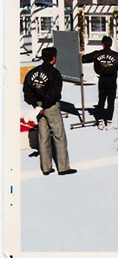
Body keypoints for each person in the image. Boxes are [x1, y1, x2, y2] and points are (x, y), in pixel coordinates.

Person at [23, 47, 77, 176]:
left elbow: (27, 92)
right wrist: (44, 106)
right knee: (59, 136)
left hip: (38, 108)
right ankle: (63, 167)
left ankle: (46, 167)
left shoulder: (32, 73)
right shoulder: (55, 73)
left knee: (43, 137)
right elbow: (54, 93)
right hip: (50, 107)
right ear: (54, 58)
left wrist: (36, 105)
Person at [82, 35, 118, 130]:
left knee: (101, 100)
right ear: (111, 44)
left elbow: (84, 59)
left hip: (102, 79)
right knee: (111, 102)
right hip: (112, 80)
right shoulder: (116, 55)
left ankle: (100, 122)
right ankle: (109, 123)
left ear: (102, 44)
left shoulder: (97, 54)